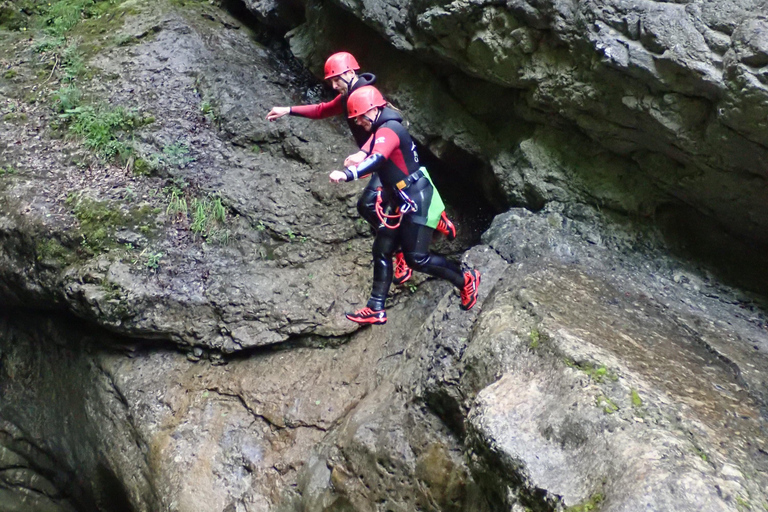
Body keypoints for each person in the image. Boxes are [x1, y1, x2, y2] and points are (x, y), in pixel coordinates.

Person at [266, 52, 456, 285]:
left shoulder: (364, 96)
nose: (334, 85)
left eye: (336, 79)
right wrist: (288, 110)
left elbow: (387, 128)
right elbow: (322, 110)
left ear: (349, 73)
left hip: (387, 160)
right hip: (379, 161)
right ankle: (410, 240)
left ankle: (407, 246)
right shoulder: (349, 96)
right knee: (368, 207)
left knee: (368, 205)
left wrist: (362, 153)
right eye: (331, 81)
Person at [329, 86, 480, 325]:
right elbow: (374, 147)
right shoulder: (384, 127)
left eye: (360, 116)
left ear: (374, 110)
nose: (357, 121)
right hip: (399, 199)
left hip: (416, 198)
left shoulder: (390, 129)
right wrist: (361, 155)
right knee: (381, 249)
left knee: (416, 259)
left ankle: (466, 280)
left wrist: (349, 174)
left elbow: (379, 157)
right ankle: (375, 308)